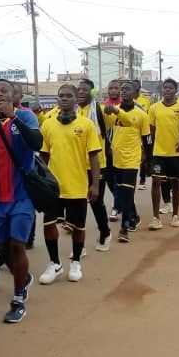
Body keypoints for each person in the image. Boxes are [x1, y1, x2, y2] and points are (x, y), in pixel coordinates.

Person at [0, 79, 43, 322]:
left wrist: (13, 116)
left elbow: (37, 143)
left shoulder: (26, 117)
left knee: (18, 246)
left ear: (13, 95)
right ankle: (24, 276)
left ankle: (18, 298)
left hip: (22, 196)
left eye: (3, 91)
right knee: (2, 249)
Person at [39, 84, 101, 285]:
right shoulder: (48, 124)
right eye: (61, 96)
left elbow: (94, 158)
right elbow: (43, 156)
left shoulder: (87, 125)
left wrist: (95, 185)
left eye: (68, 96)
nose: (64, 99)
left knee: (78, 227)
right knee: (49, 225)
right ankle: (54, 264)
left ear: (76, 99)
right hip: (53, 188)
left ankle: (75, 262)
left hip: (77, 186)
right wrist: (41, 181)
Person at [104, 81, 150, 243]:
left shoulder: (141, 114)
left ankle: (124, 229)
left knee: (127, 192)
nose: (123, 92)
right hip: (116, 159)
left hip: (132, 159)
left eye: (127, 89)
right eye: (122, 89)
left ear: (136, 92)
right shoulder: (111, 111)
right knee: (123, 194)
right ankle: (134, 216)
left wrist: (149, 162)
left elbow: (147, 140)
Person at [147, 77, 179, 229]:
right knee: (156, 182)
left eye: (170, 88)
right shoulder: (154, 108)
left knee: (175, 183)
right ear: (162, 90)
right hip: (159, 153)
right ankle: (155, 218)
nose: (167, 90)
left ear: (175, 90)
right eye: (165, 88)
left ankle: (175, 215)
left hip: (175, 153)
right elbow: (151, 129)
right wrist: (152, 147)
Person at [77, 79, 112, 251]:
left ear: (92, 92)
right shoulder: (71, 112)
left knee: (95, 202)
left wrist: (115, 110)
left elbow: (122, 120)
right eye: (79, 89)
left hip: (98, 165)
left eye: (85, 90)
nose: (81, 92)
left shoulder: (101, 111)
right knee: (78, 203)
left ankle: (105, 232)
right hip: (77, 166)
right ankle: (79, 246)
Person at [103, 79, 123, 221]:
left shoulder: (125, 105)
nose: (113, 90)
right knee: (109, 178)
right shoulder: (102, 106)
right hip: (106, 149)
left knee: (118, 179)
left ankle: (116, 207)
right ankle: (121, 199)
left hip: (122, 149)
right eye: (111, 88)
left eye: (116, 88)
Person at [133, 80, 153, 190]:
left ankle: (142, 179)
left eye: (136, 86)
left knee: (144, 156)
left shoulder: (146, 101)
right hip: (131, 132)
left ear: (139, 88)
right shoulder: (125, 101)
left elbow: (149, 117)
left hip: (144, 131)